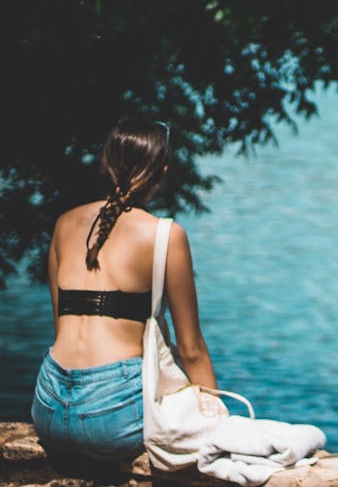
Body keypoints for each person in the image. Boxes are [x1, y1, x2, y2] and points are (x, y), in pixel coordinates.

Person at [31, 119, 218, 461]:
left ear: (106, 163)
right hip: (110, 419)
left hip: (49, 408)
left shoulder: (64, 224)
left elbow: (62, 329)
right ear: (162, 170)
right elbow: (191, 350)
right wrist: (218, 418)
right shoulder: (165, 235)